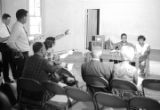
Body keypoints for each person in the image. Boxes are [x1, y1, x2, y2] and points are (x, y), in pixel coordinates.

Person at [7, 9, 30, 79]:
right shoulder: (17, 27)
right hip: (21, 54)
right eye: (27, 16)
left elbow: (19, 40)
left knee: (22, 73)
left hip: (23, 53)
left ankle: (21, 89)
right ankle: (20, 89)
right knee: (21, 74)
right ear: (23, 17)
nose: (27, 18)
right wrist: (19, 51)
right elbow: (10, 42)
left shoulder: (19, 26)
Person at [0, 13, 15, 83]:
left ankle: (13, 77)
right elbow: (0, 39)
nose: (9, 21)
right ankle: (6, 79)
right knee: (6, 64)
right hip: (4, 46)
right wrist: (10, 37)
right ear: (3, 19)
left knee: (12, 62)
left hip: (8, 46)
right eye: (8, 20)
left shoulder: (7, 26)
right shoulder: (1, 27)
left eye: (10, 20)